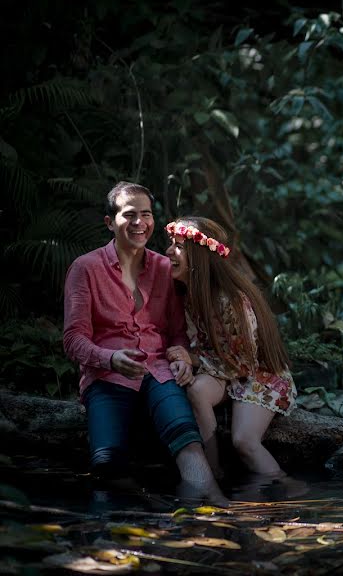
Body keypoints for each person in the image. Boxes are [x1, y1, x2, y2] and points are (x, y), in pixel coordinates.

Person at [63, 182, 225, 503]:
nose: (140, 223)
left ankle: (217, 507)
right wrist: (109, 358)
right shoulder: (85, 268)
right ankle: (152, 507)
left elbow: (177, 332)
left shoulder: (165, 268)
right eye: (130, 215)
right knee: (107, 466)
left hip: (160, 372)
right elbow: (73, 339)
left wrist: (180, 357)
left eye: (146, 214)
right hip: (106, 377)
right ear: (110, 222)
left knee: (187, 441)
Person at [164, 217, 297, 478]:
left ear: (199, 257)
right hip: (222, 372)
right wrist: (186, 360)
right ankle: (212, 471)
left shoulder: (229, 300)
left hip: (257, 375)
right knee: (197, 390)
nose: (169, 251)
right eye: (171, 244)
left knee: (244, 442)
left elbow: (244, 364)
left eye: (178, 246)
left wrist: (193, 360)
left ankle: (286, 492)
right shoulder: (187, 294)